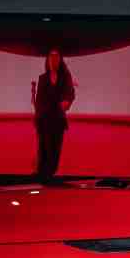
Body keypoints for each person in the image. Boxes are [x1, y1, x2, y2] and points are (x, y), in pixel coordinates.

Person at [31, 50, 75, 178]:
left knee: (55, 150)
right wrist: (37, 118)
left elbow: (71, 94)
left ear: (60, 60)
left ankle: (48, 174)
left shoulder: (65, 78)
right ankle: (41, 175)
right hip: (44, 119)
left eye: (56, 56)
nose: (53, 59)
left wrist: (68, 102)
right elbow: (39, 100)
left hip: (58, 120)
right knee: (43, 148)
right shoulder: (42, 78)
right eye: (51, 56)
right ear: (48, 60)